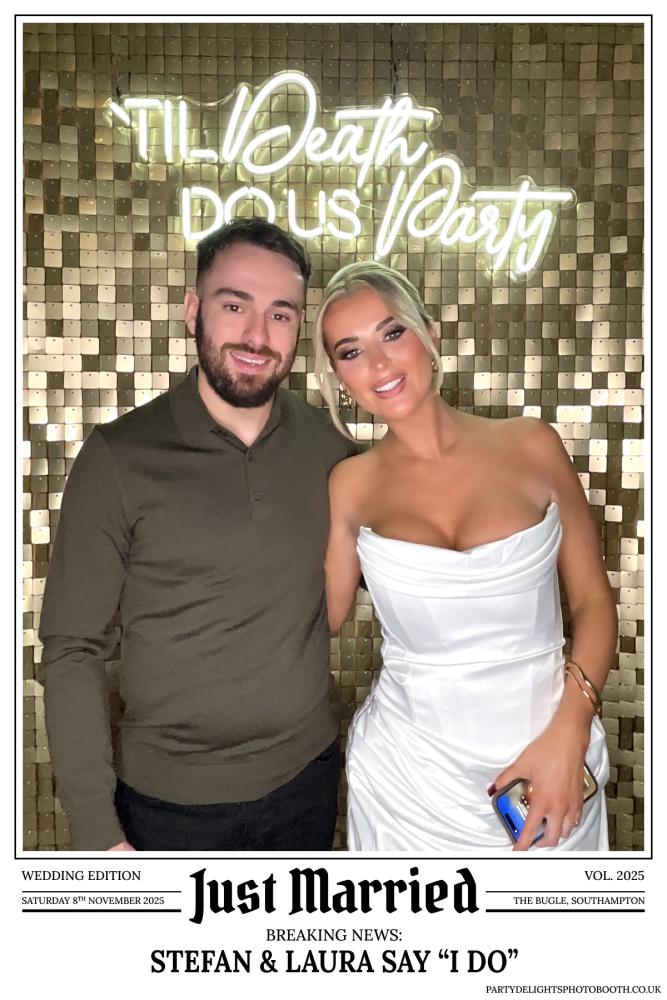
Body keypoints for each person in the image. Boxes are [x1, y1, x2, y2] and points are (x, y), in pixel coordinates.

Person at [38, 218, 354, 852]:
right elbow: (72, 650)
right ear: (193, 311)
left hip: (307, 785)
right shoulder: (119, 457)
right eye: (234, 305)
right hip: (165, 810)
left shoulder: (329, 450)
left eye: (281, 314)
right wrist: (100, 834)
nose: (257, 335)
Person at [314, 260, 617, 852]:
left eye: (392, 333)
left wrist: (571, 730)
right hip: (407, 785)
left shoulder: (532, 445)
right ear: (339, 378)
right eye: (351, 352)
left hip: (550, 761)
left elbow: (593, 602)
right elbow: (317, 618)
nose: (379, 364)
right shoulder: (348, 485)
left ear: (431, 334)